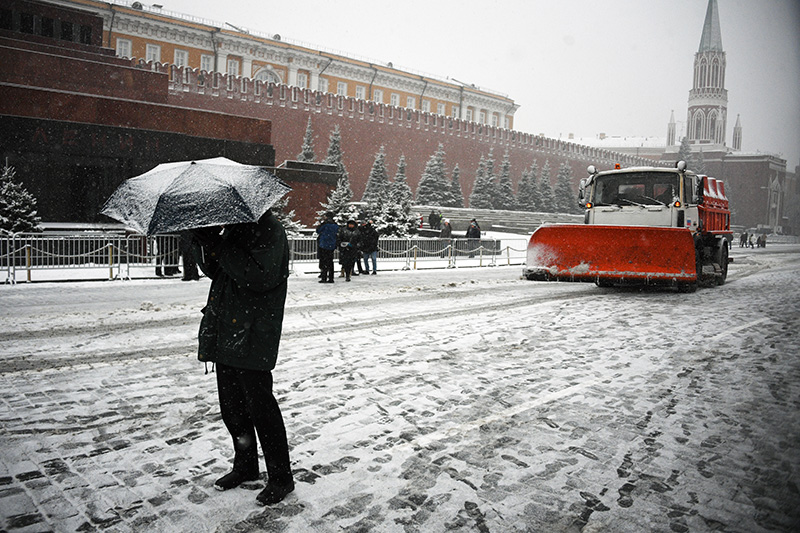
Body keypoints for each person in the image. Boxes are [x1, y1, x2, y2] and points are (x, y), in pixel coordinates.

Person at [191, 210, 294, 506]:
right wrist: (203, 241)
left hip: (253, 331)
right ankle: (246, 465)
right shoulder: (238, 227)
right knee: (232, 406)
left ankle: (281, 477)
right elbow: (219, 270)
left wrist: (220, 245)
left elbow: (258, 275)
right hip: (227, 326)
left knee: (261, 407)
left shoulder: (269, 229)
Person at [315, 212, 338, 284]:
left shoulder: (324, 225)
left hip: (323, 245)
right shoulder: (335, 225)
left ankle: (324, 277)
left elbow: (318, 231)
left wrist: (320, 225)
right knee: (330, 262)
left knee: (324, 261)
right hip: (331, 245)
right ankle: (331, 278)